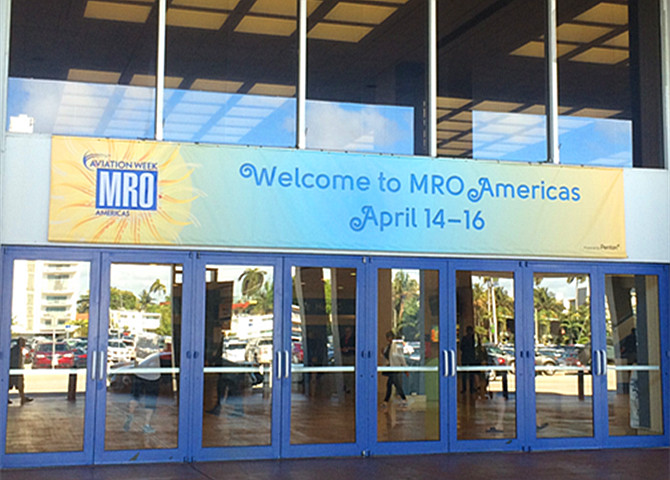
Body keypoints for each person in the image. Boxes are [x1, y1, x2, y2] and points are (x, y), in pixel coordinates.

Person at [123, 353, 161, 434]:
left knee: (135, 396)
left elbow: (133, 356)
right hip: (153, 375)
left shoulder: (138, 344)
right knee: (150, 400)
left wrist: (127, 373)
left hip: (139, 372)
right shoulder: (156, 345)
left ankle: (130, 415)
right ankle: (146, 424)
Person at [381, 331, 408, 408]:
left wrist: (405, 367)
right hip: (390, 367)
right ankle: (386, 401)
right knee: (391, 384)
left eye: (389, 337)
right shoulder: (388, 347)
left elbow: (401, 357)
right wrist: (383, 353)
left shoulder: (396, 346)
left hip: (395, 367)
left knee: (395, 384)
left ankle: (403, 399)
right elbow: (387, 357)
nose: (388, 339)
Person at [9, 337, 33, 405]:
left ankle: (23, 398)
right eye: (23, 342)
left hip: (18, 369)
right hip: (15, 370)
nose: (25, 343)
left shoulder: (20, 350)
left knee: (20, 385)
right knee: (12, 384)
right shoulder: (15, 350)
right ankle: (5, 398)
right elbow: (15, 360)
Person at [460, 326, 477, 394]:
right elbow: (461, 347)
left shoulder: (473, 339)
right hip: (466, 357)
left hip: (470, 358)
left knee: (471, 374)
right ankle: (465, 388)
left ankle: (471, 388)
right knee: (465, 374)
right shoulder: (465, 339)